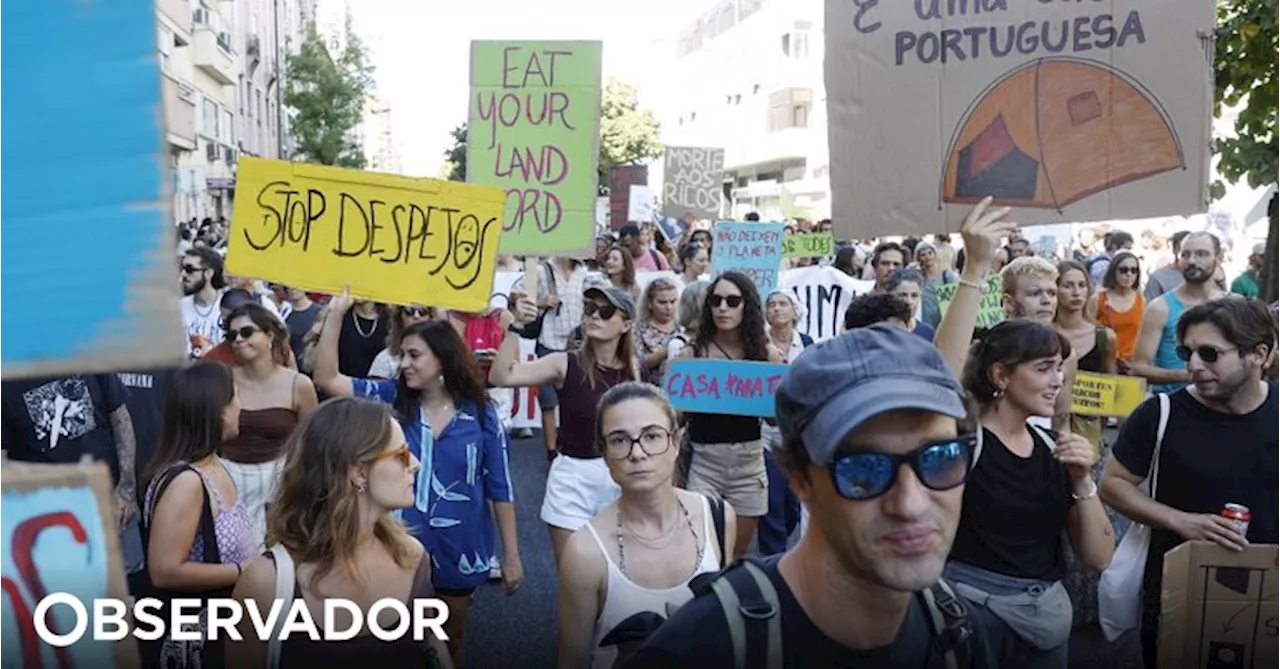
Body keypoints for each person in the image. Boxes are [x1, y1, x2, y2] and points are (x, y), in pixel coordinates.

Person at [623, 325, 1002, 668]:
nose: (911, 503)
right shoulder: (697, 652)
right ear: (799, 478)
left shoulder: (961, 633)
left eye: (941, 458)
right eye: (864, 470)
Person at [314, 298, 522, 666]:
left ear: (442, 360)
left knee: (450, 638)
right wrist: (335, 315)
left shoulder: (481, 412)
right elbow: (328, 379)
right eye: (403, 355)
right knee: (393, 637)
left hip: (461, 545)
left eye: (414, 355)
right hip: (395, 542)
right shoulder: (390, 400)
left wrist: (512, 556)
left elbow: (499, 487)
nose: (404, 363)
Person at [1101, 298, 1280, 669]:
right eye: (1187, 351)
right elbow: (1113, 484)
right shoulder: (1160, 414)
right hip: (1180, 594)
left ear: (1258, 355)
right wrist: (1179, 520)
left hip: (1269, 596)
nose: (1193, 366)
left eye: (1210, 354)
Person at [228, 397, 453, 668]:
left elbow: (431, 649)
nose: (415, 463)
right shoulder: (267, 582)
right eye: (402, 454)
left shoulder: (412, 556)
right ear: (359, 472)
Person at [949, 320, 1115, 668]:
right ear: (1001, 375)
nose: (1058, 381)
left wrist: (1083, 481)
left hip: (1047, 626)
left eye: (1059, 368)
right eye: (1043, 369)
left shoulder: (1054, 450)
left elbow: (1099, 557)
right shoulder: (963, 448)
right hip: (974, 623)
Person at [557, 383, 733, 669]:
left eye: (651, 436)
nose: (637, 453)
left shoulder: (717, 516)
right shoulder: (585, 552)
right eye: (619, 440)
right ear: (604, 455)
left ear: (674, 443)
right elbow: (572, 660)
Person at [491, 285, 641, 566]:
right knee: (574, 577)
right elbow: (501, 376)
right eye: (589, 309)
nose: (595, 316)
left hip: (622, 477)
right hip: (572, 476)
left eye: (606, 312)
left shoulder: (635, 370)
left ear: (627, 324)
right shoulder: (564, 363)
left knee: (619, 576)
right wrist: (516, 328)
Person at [140, 363, 253, 669]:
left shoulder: (214, 463)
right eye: (235, 398)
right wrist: (244, 572)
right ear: (218, 411)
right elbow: (164, 571)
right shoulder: (186, 482)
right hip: (197, 636)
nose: (241, 406)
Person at [677, 272, 784, 560]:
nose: (723, 307)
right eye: (716, 300)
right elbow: (674, 417)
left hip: (749, 465)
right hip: (703, 462)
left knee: (736, 555)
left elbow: (776, 419)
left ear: (747, 306)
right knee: (702, 552)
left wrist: (779, 393)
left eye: (732, 300)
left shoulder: (767, 355)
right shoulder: (691, 355)